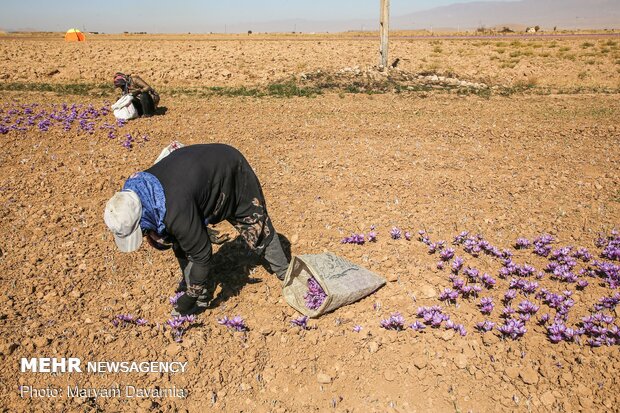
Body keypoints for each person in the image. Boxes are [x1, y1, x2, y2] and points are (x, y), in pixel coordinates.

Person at [103, 144, 289, 316]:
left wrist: (190, 297)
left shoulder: (175, 211)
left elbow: (203, 255)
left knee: (255, 226)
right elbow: (173, 231)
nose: (143, 235)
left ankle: (286, 273)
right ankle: (202, 292)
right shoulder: (134, 191)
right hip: (195, 174)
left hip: (229, 169)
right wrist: (151, 231)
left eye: (141, 230)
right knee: (180, 237)